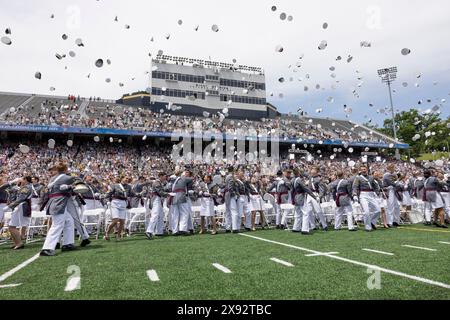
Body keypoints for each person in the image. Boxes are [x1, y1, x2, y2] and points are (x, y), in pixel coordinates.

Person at [40, 162, 77, 256]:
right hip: (59, 203)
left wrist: (68, 187)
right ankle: (47, 248)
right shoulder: (68, 178)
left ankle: (67, 244)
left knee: (69, 221)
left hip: (54, 202)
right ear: (65, 169)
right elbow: (79, 182)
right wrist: (70, 186)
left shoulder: (53, 178)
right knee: (57, 225)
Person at [1, 176, 33, 249]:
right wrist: (12, 183)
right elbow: (4, 188)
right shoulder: (23, 187)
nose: (20, 180)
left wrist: (10, 206)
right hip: (19, 207)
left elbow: (21, 199)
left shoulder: (26, 187)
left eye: (22, 178)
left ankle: (19, 243)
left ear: (25, 180)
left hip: (21, 207)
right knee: (11, 226)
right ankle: (17, 243)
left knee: (12, 226)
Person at [352, 166, 381, 232]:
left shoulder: (371, 177)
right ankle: (368, 227)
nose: (363, 170)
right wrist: (354, 195)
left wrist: (377, 193)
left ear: (367, 170)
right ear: (360, 171)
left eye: (364, 169)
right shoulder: (358, 178)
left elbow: (376, 185)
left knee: (378, 210)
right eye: (362, 169)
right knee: (366, 212)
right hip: (363, 195)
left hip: (371, 194)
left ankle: (372, 222)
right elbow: (355, 187)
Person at [104, 177, 130, 241]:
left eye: (127, 179)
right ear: (121, 179)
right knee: (115, 220)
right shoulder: (115, 186)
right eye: (125, 178)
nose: (126, 180)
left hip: (123, 203)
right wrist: (104, 197)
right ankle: (107, 233)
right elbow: (109, 193)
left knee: (122, 222)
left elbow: (133, 193)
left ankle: (118, 236)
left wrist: (140, 194)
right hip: (115, 202)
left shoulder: (129, 187)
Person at [291, 168, 316, 235]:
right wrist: (313, 196)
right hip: (300, 196)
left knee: (298, 213)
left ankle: (296, 228)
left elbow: (292, 190)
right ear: (298, 172)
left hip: (295, 196)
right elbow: (305, 188)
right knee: (305, 213)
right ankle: (304, 229)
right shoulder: (299, 180)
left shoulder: (293, 179)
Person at [146, 172, 168, 239]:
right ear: (160, 176)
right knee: (155, 215)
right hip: (156, 199)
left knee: (160, 215)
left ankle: (159, 231)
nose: (165, 177)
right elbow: (160, 192)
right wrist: (168, 194)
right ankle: (149, 231)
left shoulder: (159, 183)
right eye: (164, 176)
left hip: (158, 199)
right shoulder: (156, 182)